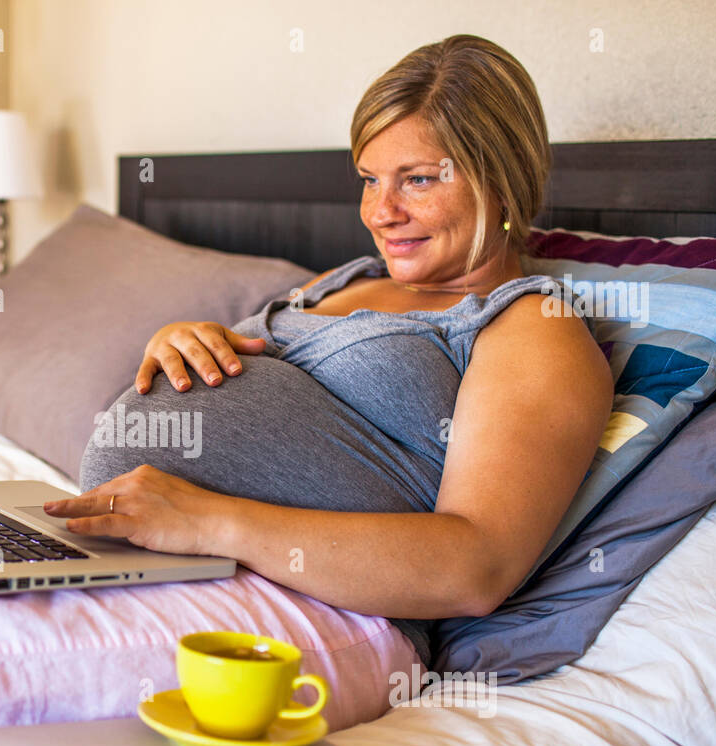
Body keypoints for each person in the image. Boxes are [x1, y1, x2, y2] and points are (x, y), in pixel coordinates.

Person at [42, 34, 613, 667]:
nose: (382, 211)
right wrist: (178, 342)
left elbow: (475, 567)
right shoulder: (345, 279)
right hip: (163, 566)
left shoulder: (532, 327)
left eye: (418, 180)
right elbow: (236, 389)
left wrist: (208, 521)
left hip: (314, 611)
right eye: (370, 180)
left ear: (501, 184)